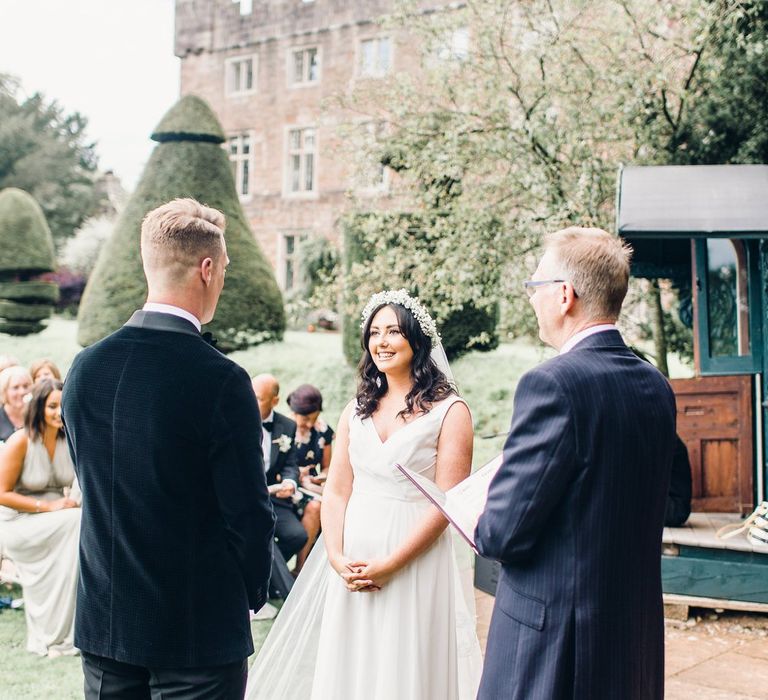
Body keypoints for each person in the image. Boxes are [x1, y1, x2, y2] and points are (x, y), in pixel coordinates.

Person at [61, 198, 275, 699]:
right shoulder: (220, 380)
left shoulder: (84, 370)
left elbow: (96, 483)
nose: (221, 279)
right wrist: (251, 592)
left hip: (106, 623)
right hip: (196, 631)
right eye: (222, 268)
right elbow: (247, 512)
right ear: (206, 269)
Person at [247, 289, 482, 700]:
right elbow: (337, 490)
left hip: (414, 560)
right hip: (354, 560)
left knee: (407, 666)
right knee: (354, 666)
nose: (382, 342)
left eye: (393, 331)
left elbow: (448, 503)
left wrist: (391, 564)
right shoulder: (356, 409)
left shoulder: (451, 411)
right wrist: (337, 557)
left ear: (417, 340)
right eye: (375, 332)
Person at [474, 227, 677, 700]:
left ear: (564, 295)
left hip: (556, 644)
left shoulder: (552, 385)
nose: (532, 299)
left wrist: (482, 513)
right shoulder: (656, 386)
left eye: (535, 287)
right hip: (630, 637)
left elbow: (502, 533)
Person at [0, 378, 80, 657]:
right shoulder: (20, 441)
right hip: (18, 522)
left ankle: (69, 630)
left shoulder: (68, 440)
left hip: (56, 522)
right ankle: (54, 636)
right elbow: (1, 493)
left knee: (81, 521)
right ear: (39, 407)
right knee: (75, 522)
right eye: (52, 406)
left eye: (62, 406)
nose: (59, 412)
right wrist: (47, 507)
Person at [251, 374, 306, 564]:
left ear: (275, 401)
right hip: (247, 499)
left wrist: (290, 482)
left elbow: (291, 464)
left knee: (298, 536)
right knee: (261, 533)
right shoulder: (237, 422)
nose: (250, 401)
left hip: (273, 498)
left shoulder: (287, 426)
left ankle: (266, 580)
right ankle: (284, 588)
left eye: (258, 399)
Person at [286, 383, 333, 574]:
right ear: (294, 412)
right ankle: (301, 568)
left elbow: (328, 466)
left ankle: (321, 567)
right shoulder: (284, 428)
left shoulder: (323, 430)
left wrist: (319, 478)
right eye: (305, 419)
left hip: (313, 486)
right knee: (315, 507)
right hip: (289, 486)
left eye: (313, 419)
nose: (309, 424)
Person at [0, 365, 32, 442]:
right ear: (4, 391)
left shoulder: (37, 415)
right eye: (15, 387)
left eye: (26, 386)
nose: (22, 392)